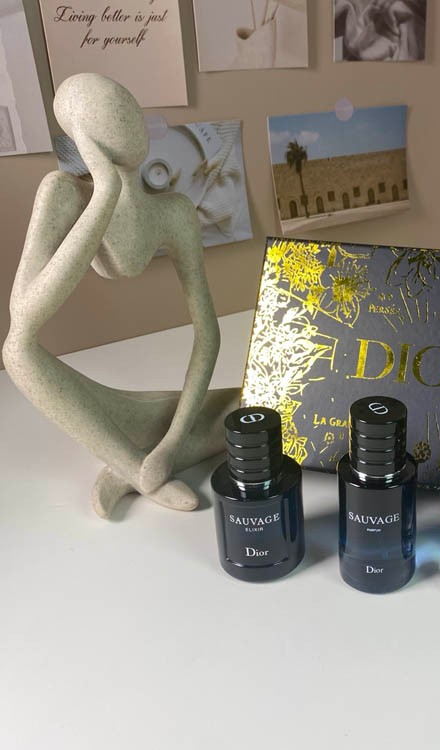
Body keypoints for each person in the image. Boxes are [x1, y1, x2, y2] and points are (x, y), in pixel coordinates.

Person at [3, 74, 236, 518]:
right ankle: (135, 469)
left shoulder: (173, 212)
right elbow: (25, 318)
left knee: (247, 405)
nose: (131, 118)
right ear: (83, 133)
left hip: (151, 422)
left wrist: (170, 446)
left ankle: (137, 467)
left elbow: (208, 335)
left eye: (129, 106)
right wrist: (105, 192)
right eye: (111, 110)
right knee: (16, 353)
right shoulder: (63, 194)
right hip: (95, 403)